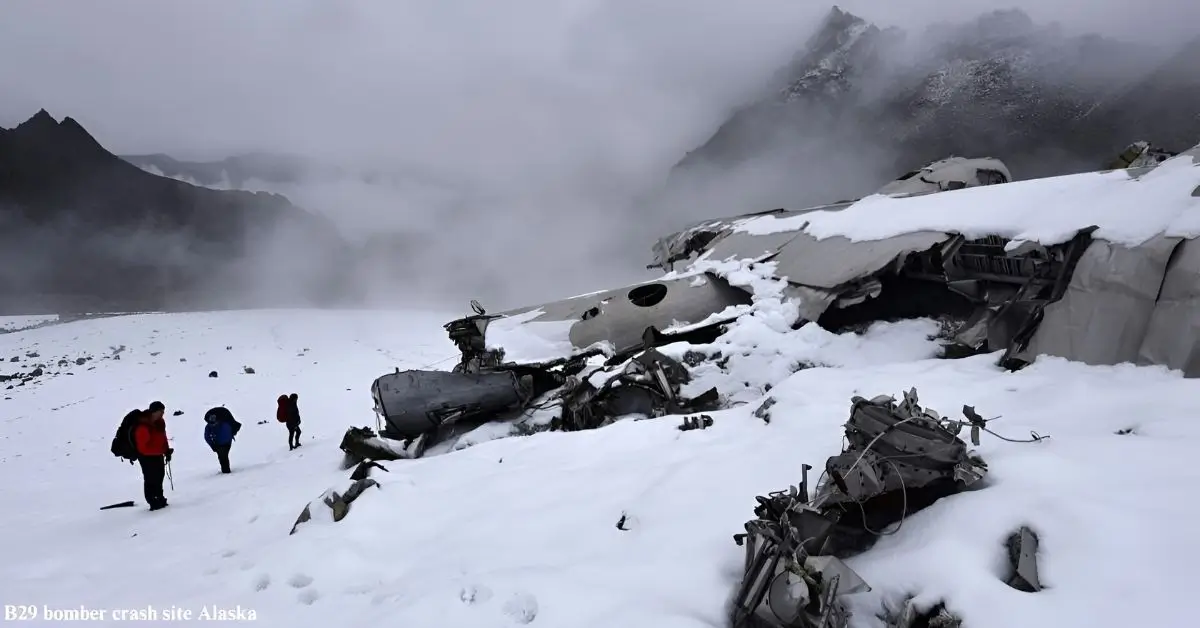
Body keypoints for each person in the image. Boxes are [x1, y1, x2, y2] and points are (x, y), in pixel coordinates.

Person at [134, 401, 172, 511]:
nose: (162, 414)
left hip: (158, 455)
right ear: (153, 411)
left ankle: (159, 497)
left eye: (163, 412)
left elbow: (163, 437)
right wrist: (160, 451)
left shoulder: (160, 422)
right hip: (146, 457)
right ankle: (153, 501)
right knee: (151, 478)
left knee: (160, 476)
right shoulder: (143, 426)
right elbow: (142, 448)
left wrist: (166, 450)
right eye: (160, 411)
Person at [203, 406, 241, 474]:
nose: (213, 420)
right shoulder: (209, 427)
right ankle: (226, 471)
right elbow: (207, 437)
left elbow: (226, 435)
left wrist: (215, 446)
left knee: (223, 456)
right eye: (211, 418)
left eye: (214, 418)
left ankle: (226, 472)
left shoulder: (224, 424)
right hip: (218, 444)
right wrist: (213, 445)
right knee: (222, 457)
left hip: (225, 444)